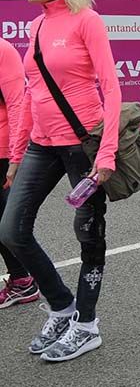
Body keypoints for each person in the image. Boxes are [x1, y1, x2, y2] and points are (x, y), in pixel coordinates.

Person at [0, 0, 121, 362]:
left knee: (89, 236)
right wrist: (16, 155)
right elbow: (31, 96)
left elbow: (112, 87)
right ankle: (61, 306)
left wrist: (106, 155)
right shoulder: (35, 26)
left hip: (81, 145)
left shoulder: (88, 21)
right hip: (40, 144)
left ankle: (86, 325)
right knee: (12, 230)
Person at [0, 37, 39, 310]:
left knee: (4, 224)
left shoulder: (3, 51)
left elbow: (17, 104)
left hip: (1, 149)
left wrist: (16, 156)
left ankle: (23, 280)